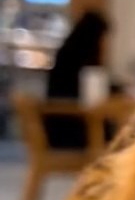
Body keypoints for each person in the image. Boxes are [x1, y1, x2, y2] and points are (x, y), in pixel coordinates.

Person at [44, 9, 110, 149]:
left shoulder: (67, 52)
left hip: (59, 125)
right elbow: (88, 95)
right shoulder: (78, 57)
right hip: (69, 126)